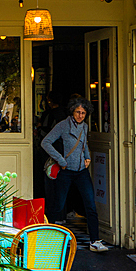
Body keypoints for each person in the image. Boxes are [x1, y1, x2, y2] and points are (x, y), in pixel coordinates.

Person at [40, 97, 109, 253]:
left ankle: (95, 240)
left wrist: (88, 156)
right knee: (58, 205)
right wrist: (61, 160)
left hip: (81, 172)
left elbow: (83, 144)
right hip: (65, 171)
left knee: (90, 204)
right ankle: (49, 239)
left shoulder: (84, 127)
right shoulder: (63, 125)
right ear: (72, 111)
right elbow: (45, 142)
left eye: (83, 113)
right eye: (78, 112)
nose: (80, 115)